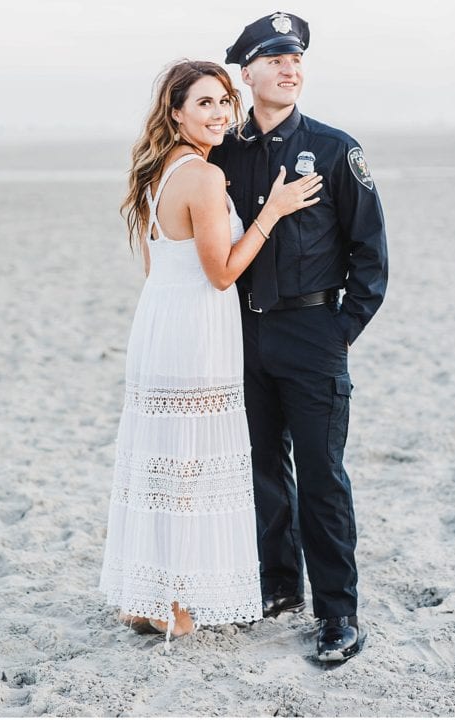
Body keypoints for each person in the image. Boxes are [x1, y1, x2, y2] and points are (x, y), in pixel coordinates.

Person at [99, 60, 322, 641]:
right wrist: (272, 211)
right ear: (175, 112)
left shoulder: (155, 171)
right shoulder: (202, 176)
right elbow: (222, 274)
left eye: (225, 100)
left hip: (159, 322)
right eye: (204, 103)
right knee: (189, 465)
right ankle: (172, 602)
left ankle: (145, 596)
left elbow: (153, 264)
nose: (221, 113)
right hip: (196, 328)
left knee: (161, 458)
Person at [209, 12, 388, 662]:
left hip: (314, 332)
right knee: (261, 473)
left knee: (321, 479)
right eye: (274, 58)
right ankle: (278, 587)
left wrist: (338, 332)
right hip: (245, 335)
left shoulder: (338, 150)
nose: (290, 68)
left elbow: (371, 256)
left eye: (296, 59)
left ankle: (339, 615)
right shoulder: (225, 152)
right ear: (248, 72)